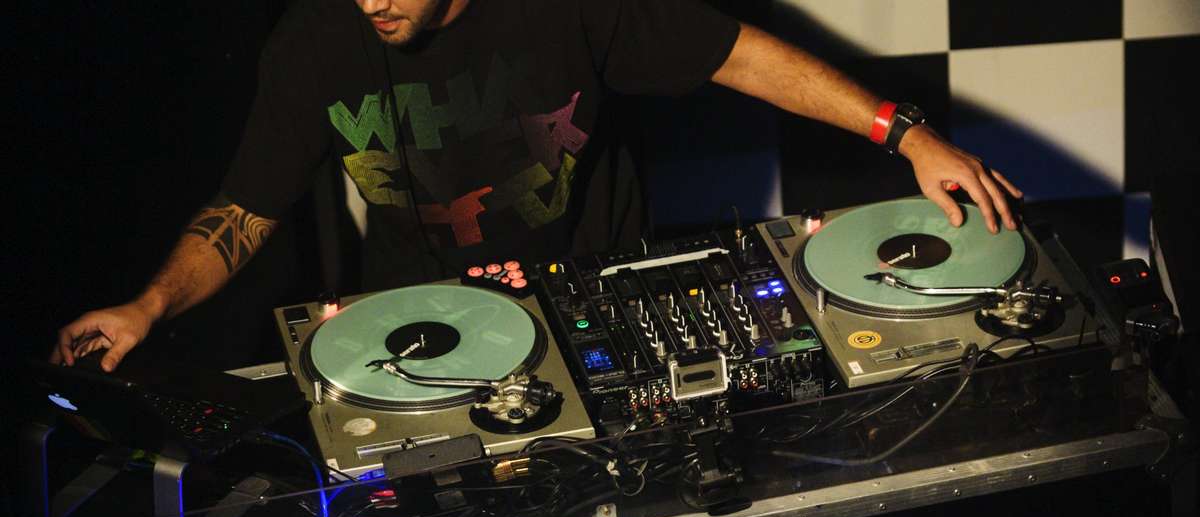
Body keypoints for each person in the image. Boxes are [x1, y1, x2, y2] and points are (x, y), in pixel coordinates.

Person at [52, 0, 1022, 372]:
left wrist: (908, 135)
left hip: (595, 307)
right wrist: (148, 306)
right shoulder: (313, 42)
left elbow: (737, 54)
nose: (371, 2)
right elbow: (245, 208)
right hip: (422, 342)